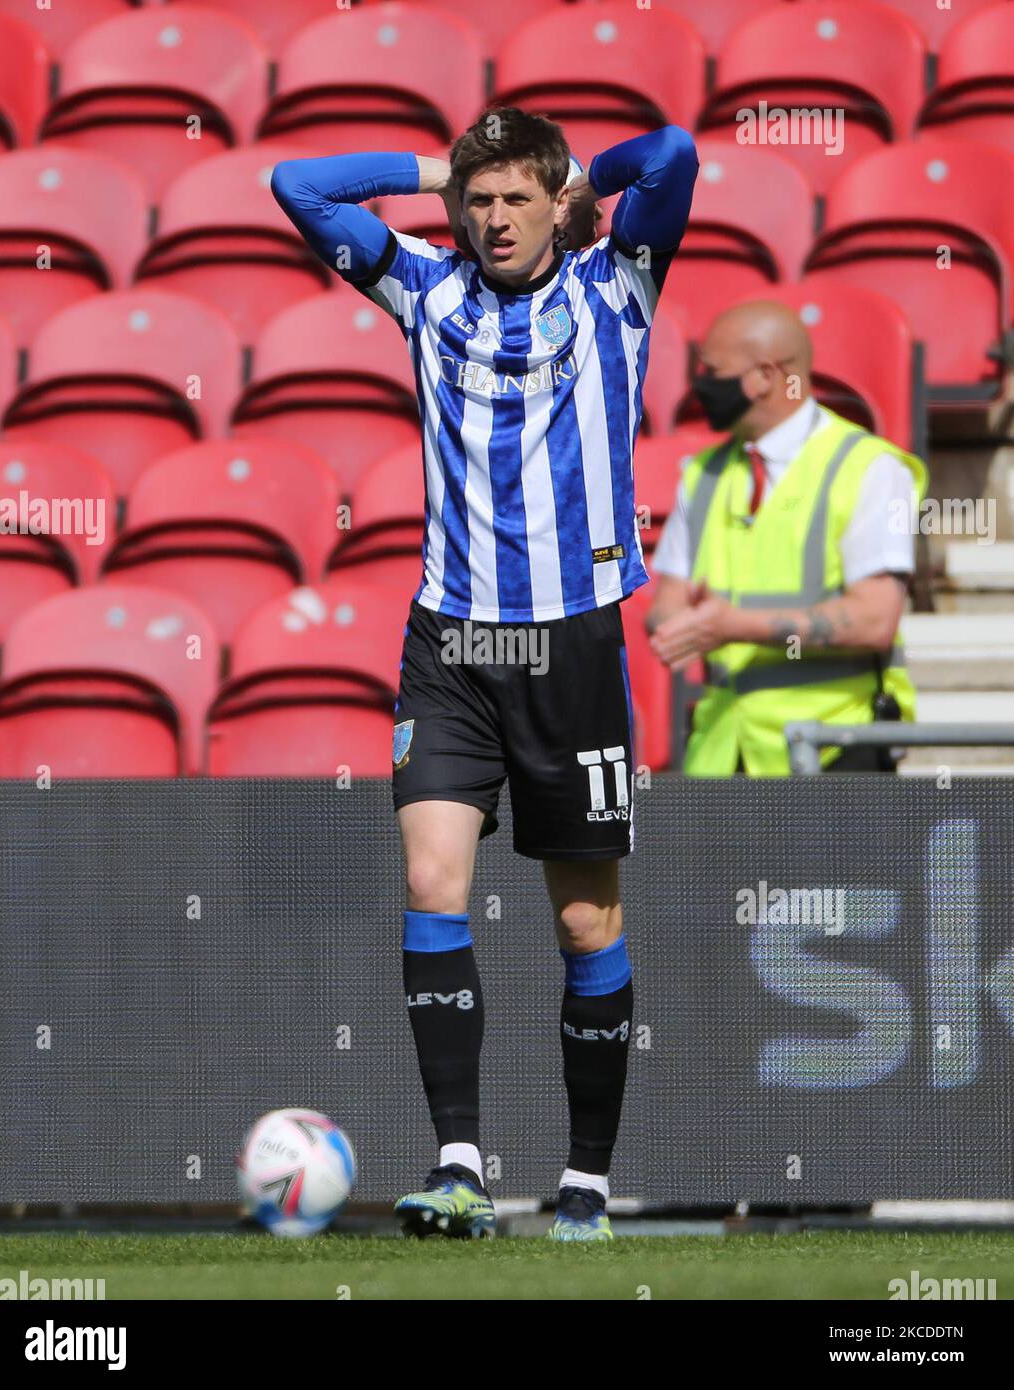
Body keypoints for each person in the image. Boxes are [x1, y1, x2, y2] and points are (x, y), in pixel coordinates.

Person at [271, 108, 697, 1239]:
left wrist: (575, 180)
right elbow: (298, 183)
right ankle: (458, 1161)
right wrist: (440, 168)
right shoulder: (422, 288)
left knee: (585, 924)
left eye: (515, 198)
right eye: (480, 200)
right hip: (453, 642)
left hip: (570, 645)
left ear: (553, 205)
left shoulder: (619, 284)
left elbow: (673, 153)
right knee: (430, 883)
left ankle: (587, 1183)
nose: (493, 218)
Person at [645, 301, 927, 776]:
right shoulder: (702, 474)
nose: (700, 385)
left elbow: (875, 619)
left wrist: (730, 625)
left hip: (837, 748)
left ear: (765, 377)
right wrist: (682, 622)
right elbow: (666, 607)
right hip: (722, 753)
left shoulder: (871, 469)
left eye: (713, 371)